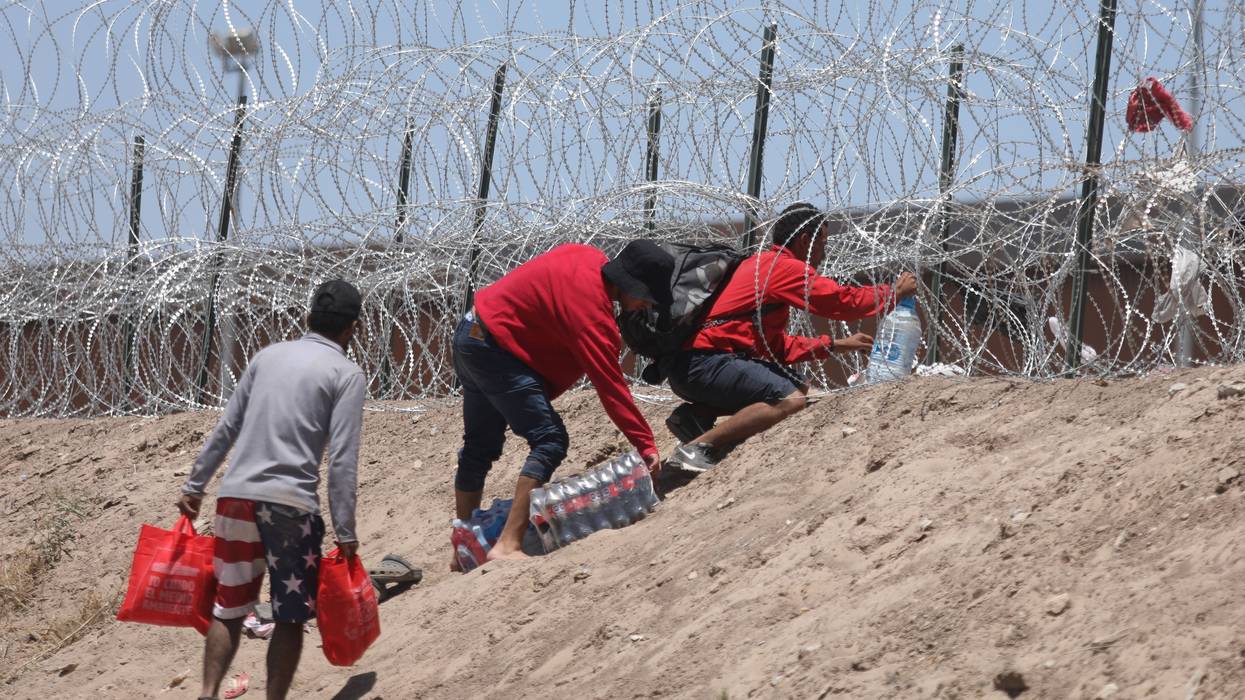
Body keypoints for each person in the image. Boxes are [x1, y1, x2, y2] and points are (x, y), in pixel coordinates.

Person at [176, 279, 367, 700]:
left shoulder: (267, 356)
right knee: (290, 615)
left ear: (308, 317)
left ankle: (207, 694)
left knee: (228, 608)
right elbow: (341, 460)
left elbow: (228, 427)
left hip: (234, 500)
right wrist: (346, 530)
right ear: (352, 327)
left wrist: (195, 485)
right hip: (290, 507)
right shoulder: (347, 374)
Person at [452, 241, 668, 566]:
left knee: (479, 447)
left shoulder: (587, 256)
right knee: (550, 440)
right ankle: (508, 543)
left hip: (471, 333)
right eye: (645, 298)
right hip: (495, 351)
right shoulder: (592, 314)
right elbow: (611, 388)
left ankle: (463, 548)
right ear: (630, 284)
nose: (644, 307)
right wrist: (646, 445)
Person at [663, 203, 917, 471]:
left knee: (797, 385)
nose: (824, 253)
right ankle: (697, 448)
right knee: (792, 399)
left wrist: (836, 344)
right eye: (822, 243)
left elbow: (776, 348)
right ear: (805, 240)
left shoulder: (759, 264)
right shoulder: (783, 267)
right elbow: (839, 301)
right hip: (706, 364)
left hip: (691, 366)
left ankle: (697, 415)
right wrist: (893, 293)